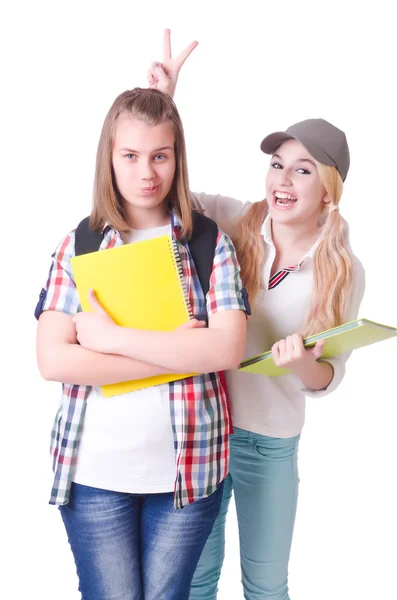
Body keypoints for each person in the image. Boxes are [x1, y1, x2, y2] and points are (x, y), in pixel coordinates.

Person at [147, 30, 365, 600]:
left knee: (265, 586)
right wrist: (168, 103)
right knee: (195, 578)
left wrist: (301, 363)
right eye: (277, 165)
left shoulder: (342, 269)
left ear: (329, 189)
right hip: (208, 428)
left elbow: (329, 377)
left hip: (272, 442)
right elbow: (171, 192)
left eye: (302, 170)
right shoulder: (231, 222)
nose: (282, 181)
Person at [35, 85, 248, 600]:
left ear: (178, 159)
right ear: (109, 156)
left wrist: (109, 340)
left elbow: (225, 350)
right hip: (94, 473)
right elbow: (52, 359)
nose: (146, 172)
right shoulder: (81, 243)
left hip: (188, 473)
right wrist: (174, 353)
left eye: (160, 156)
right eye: (130, 156)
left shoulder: (207, 243)